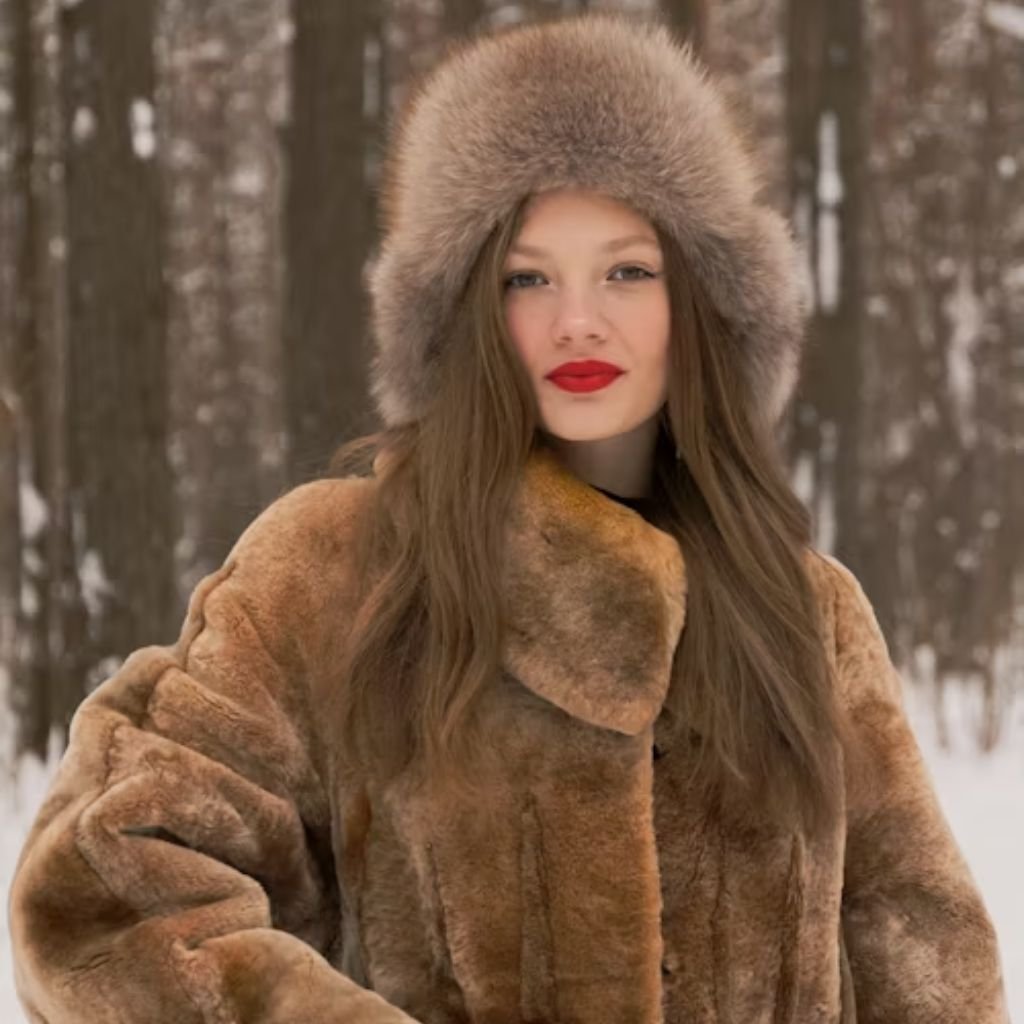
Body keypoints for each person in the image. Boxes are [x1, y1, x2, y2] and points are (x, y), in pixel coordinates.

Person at [7, 12, 1009, 1024]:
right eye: (527, 278)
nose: (578, 319)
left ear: (700, 301)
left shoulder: (803, 610)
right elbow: (103, 899)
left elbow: (930, 969)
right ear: (467, 315)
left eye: (627, 270)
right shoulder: (333, 570)